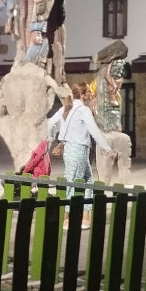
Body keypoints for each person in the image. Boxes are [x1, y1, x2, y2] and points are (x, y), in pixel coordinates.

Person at [48, 82, 113, 230]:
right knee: (72, 183)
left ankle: (85, 216)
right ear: (83, 95)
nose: (91, 93)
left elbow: (51, 123)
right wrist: (107, 149)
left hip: (74, 150)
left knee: (88, 181)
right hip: (78, 149)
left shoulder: (67, 108)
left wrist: (52, 139)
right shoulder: (83, 110)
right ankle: (67, 219)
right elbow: (94, 130)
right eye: (88, 92)